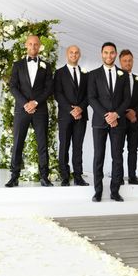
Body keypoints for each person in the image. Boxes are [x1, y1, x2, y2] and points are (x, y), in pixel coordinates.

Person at [5, 35, 53, 187]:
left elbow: (49, 88)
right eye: (30, 44)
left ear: (40, 46)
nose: (33, 47)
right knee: (18, 142)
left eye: (36, 44)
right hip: (22, 109)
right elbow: (13, 86)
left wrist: (36, 102)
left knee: (42, 144)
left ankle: (44, 177)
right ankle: (14, 177)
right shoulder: (17, 65)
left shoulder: (47, 65)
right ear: (26, 45)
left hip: (40, 110)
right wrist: (25, 103)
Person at [88, 42, 130, 202]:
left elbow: (127, 99)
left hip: (118, 123)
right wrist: (107, 115)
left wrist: (116, 115)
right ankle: (97, 191)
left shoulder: (123, 75)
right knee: (98, 156)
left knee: (117, 157)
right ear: (101, 54)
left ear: (115, 54)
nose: (109, 56)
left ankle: (114, 191)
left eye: (112, 53)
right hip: (100, 121)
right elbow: (91, 98)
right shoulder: (93, 75)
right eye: (106, 52)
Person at [54, 45, 89, 186]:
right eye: (71, 52)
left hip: (81, 115)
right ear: (67, 54)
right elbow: (58, 93)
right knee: (64, 146)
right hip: (65, 115)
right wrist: (71, 109)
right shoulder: (59, 73)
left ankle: (78, 176)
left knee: (78, 146)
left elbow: (89, 95)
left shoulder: (86, 74)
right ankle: (64, 176)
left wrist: (80, 108)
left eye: (76, 53)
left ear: (79, 55)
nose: (74, 55)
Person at [119, 49, 138, 185]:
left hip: (135, 120)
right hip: (119, 120)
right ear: (120, 62)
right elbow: (114, 100)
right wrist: (125, 113)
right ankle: (118, 177)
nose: (127, 63)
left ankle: (132, 176)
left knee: (133, 149)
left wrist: (134, 112)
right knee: (118, 150)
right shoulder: (115, 78)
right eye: (125, 61)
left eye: (130, 60)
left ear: (133, 61)